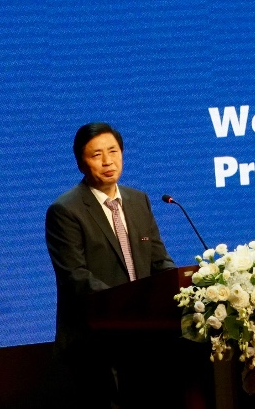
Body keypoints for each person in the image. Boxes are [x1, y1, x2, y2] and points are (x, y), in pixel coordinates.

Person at [46, 122, 176, 408]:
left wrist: (183, 291)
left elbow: (159, 261)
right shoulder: (65, 210)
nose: (108, 161)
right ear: (81, 163)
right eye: (97, 155)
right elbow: (76, 277)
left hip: (143, 340)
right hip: (93, 346)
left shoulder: (138, 200)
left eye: (113, 151)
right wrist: (128, 306)